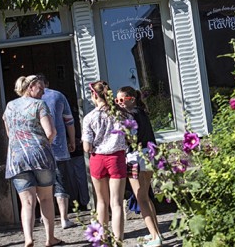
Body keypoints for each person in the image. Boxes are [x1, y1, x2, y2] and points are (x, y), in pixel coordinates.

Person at [3, 75, 64, 247]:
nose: (44, 92)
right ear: (30, 87)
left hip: (17, 158)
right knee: (45, 199)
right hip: (40, 156)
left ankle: (28, 239)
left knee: (27, 201)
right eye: (41, 88)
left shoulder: (10, 106)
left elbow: (9, 132)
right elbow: (51, 132)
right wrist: (42, 145)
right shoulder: (39, 105)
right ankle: (50, 238)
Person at [82, 81, 127, 243]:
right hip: (116, 157)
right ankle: (118, 240)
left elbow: (87, 147)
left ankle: (102, 237)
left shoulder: (89, 118)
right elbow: (131, 134)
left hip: (98, 159)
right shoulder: (120, 114)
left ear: (94, 95)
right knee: (117, 203)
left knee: (101, 201)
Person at [116, 86, 162, 247]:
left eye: (122, 100)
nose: (119, 103)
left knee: (140, 197)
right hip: (150, 154)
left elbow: (130, 138)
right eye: (117, 100)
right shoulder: (143, 112)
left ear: (132, 99)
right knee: (146, 196)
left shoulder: (130, 116)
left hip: (135, 157)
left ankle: (155, 236)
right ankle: (155, 232)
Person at [36, 73, 77, 229]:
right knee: (61, 183)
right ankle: (64, 219)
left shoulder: (29, 100)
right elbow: (69, 121)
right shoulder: (58, 96)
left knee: (42, 185)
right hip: (59, 148)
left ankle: (44, 216)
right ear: (47, 83)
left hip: (40, 151)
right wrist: (72, 140)